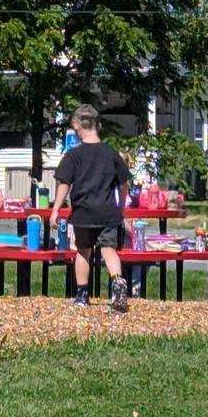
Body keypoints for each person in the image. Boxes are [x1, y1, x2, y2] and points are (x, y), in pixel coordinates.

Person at [47, 106, 131, 312]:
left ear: (76, 126)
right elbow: (123, 183)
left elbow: (64, 182)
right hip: (107, 212)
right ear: (98, 126)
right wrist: (121, 207)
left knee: (83, 252)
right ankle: (118, 284)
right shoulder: (111, 153)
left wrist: (56, 208)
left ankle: (82, 294)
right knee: (109, 251)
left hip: (83, 212)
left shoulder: (74, 155)